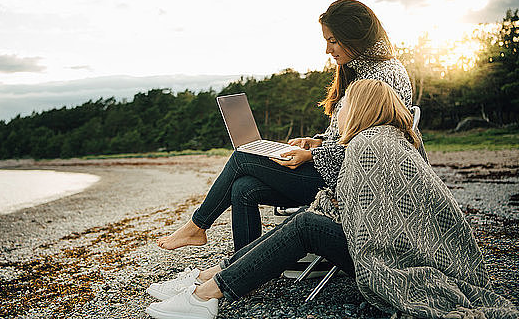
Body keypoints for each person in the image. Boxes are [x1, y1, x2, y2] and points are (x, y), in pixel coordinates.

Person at [145, 79, 519, 319]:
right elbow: (361, 204)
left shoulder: (369, 145)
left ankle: (209, 292)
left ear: (360, 110)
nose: (339, 117)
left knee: (307, 223)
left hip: (394, 256)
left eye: (344, 110)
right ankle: (211, 277)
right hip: (406, 246)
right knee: (306, 218)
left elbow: (371, 219)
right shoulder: (389, 138)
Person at [158, 0, 417, 252]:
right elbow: (350, 135)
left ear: (354, 36)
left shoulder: (383, 77)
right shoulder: (362, 70)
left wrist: (312, 155)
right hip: (333, 168)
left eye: (333, 41)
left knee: (242, 158)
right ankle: (242, 264)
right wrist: (317, 142)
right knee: (243, 187)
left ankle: (197, 226)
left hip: (347, 182)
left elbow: (372, 149)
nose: (328, 50)